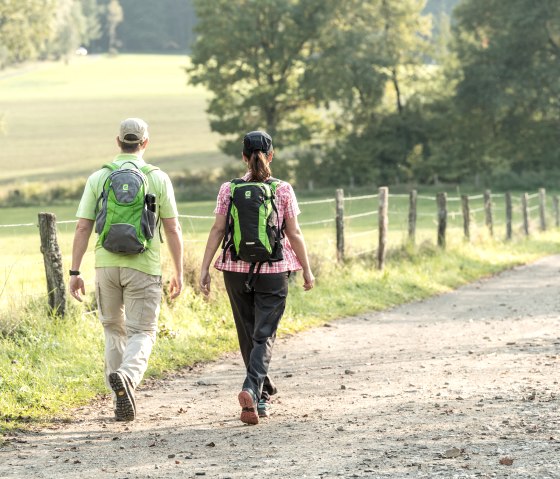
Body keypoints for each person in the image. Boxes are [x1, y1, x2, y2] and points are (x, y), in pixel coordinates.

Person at [69, 117, 183, 422]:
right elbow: (172, 228)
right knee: (142, 331)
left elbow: (83, 226)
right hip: (144, 266)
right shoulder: (158, 177)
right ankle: (128, 379)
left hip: (106, 265)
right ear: (145, 143)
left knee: (112, 329)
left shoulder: (99, 177)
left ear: (118, 142)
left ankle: (118, 394)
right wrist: (179, 271)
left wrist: (74, 271)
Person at [200, 130, 314, 425]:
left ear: (243, 157)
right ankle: (253, 389)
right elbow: (294, 233)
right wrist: (307, 269)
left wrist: (204, 268)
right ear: (271, 155)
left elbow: (217, 230)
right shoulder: (282, 189)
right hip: (275, 270)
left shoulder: (229, 189)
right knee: (264, 334)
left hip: (235, 269)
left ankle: (261, 394)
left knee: (247, 332)